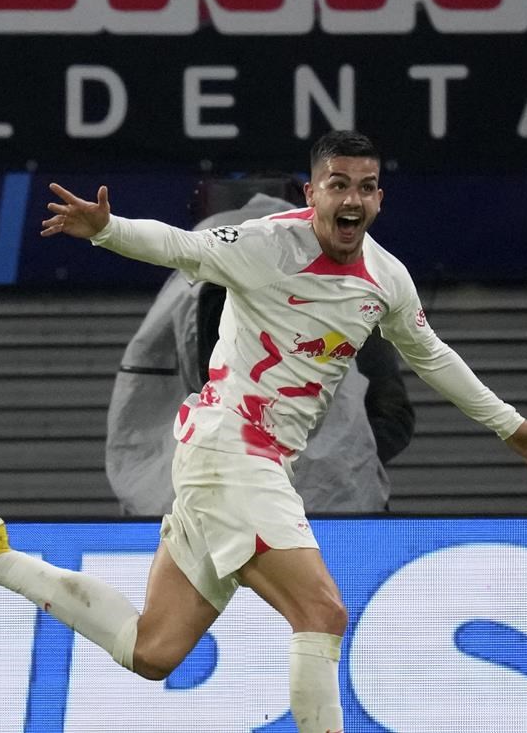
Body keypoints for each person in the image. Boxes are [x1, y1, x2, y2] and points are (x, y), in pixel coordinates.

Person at [0, 130, 527, 733]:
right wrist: (106, 229)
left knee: (151, 650)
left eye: (366, 187)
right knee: (323, 612)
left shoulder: (386, 279)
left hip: (245, 462)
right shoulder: (266, 245)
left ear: (379, 198)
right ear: (312, 192)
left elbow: (431, 355)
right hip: (230, 449)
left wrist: (509, 425)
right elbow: (180, 245)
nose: (352, 199)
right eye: (338, 184)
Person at [107, 175, 414, 516]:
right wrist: (341, 457)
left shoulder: (187, 287)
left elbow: (151, 408)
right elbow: (393, 414)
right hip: (330, 508)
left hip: (206, 508)